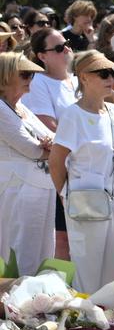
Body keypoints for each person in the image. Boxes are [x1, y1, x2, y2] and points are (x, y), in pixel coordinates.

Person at [48, 49, 114, 293]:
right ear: (84, 77)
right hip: (85, 201)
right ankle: (85, 325)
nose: (110, 79)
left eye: (112, 73)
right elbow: (56, 161)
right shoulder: (73, 114)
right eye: (103, 73)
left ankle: (111, 326)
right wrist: (66, 195)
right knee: (88, 273)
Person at [0, 53, 55, 275]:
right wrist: (48, 147)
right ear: (5, 76)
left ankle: (36, 303)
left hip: (40, 186)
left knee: (43, 252)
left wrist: (50, 144)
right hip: (17, 188)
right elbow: (31, 148)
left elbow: (51, 138)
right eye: (24, 74)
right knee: (20, 250)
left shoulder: (20, 106)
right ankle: (17, 306)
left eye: (31, 74)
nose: (30, 79)